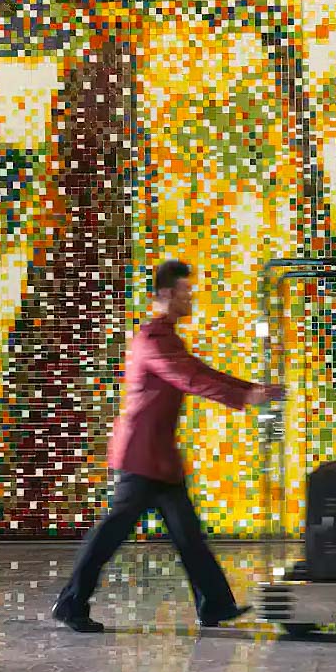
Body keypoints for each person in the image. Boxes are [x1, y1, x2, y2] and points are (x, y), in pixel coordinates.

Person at [52, 260, 285, 633]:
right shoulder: (152, 340)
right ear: (165, 295)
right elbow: (188, 378)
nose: (190, 297)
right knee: (109, 535)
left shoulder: (168, 337)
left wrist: (249, 390)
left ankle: (216, 606)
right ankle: (70, 603)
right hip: (141, 458)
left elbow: (201, 371)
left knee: (188, 535)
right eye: (185, 291)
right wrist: (245, 397)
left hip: (159, 460)